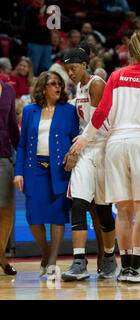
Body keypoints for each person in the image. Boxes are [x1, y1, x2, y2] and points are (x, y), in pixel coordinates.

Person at [69, 31, 140, 284]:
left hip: (113, 145)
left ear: (130, 52)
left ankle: (125, 268)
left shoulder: (115, 75)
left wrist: (84, 138)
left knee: (123, 210)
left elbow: (101, 112)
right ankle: (138, 267)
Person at [14, 71, 79, 280]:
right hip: (34, 169)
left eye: (59, 83)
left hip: (59, 170)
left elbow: (76, 138)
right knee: (33, 217)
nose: (58, 87)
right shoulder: (29, 111)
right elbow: (22, 145)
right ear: (43, 88)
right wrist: (18, 172)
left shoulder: (69, 111)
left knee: (58, 216)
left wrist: (72, 155)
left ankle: (52, 262)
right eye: (53, 83)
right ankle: (45, 254)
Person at [61, 45, 117, 281]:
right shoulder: (79, 87)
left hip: (102, 148)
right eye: (67, 70)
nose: (70, 73)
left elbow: (96, 121)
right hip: (85, 148)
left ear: (84, 65)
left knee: (103, 210)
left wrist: (78, 146)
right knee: (78, 204)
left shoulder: (96, 83)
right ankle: (79, 261)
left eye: (73, 68)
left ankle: (110, 258)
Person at [0, 80, 20, 276]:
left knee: (6, 210)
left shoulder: (8, 90)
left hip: (3, 156)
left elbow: (12, 125)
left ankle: (1, 255)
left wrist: (22, 156)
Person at [24, 0, 52, 75]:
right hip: (34, 42)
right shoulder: (30, 9)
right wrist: (40, 14)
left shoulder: (48, 9)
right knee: (33, 68)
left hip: (46, 43)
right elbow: (29, 26)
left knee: (46, 67)